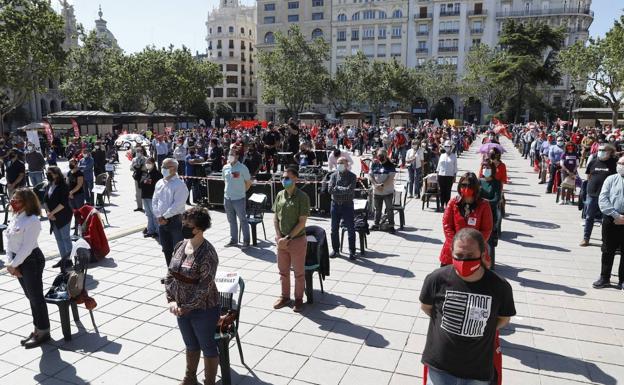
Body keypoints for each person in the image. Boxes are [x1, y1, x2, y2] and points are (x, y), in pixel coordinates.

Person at [420, 228, 515, 385]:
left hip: (477, 370)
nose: (464, 261)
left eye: (470, 256)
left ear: (483, 253)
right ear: (451, 252)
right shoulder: (436, 279)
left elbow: (504, 319)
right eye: (459, 256)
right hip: (440, 367)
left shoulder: (500, 286)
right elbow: (426, 307)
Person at [165, 206, 219, 385]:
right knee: (190, 344)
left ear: (200, 228)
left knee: (208, 347)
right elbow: (170, 274)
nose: (184, 227)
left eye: (189, 225)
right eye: (184, 223)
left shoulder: (208, 253)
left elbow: (204, 288)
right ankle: (190, 378)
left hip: (203, 309)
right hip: (180, 308)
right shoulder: (180, 245)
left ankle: (209, 382)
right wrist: (171, 300)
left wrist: (186, 308)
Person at [5, 188, 51, 348]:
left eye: (17, 200)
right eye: (13, 199)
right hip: (18, 261)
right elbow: (8, 239)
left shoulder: (32, 220)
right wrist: (10, 263)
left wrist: (13, 265)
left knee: (36, 297)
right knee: (30, 297)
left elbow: (27, 247)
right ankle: (37, 328)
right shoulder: (16, 217)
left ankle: (44, 331)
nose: (13, 202)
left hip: (31, 260)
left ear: (27, 202)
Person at [272, 166, 310, 313]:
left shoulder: (302, 197)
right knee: (283, 271)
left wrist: (287, 238)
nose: (284, 180)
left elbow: (302, 222)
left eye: (287, 177)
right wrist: (279, 237)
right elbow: (275, 218)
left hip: (297, 241)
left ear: (295, 179)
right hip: (281, 241)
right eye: (283, 177)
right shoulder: (280, 195)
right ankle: (285, 296)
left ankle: (299, 299)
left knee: (299, 273)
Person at [439, 172, 493, 267]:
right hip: (453, 249)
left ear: (475, 187)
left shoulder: (484, 205)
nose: (466, 188)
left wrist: (473, 246)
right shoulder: (453, 203)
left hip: (474, 251)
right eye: (463, 185)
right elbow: (447, 225)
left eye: (470, 185)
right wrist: (455, 245)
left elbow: (486, 229)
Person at [594, 155, 624, 289]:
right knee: (607, 250)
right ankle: (604, 277)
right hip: (611, 219)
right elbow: (603, 199)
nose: (621, 166)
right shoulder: (611, 179)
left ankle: (622, 280)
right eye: (620, 163)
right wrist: (616, 215)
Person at [152, 158, 189, 266]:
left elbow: (178, 205)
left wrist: (165, 217)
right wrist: (159, 216)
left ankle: (180, 274)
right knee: (166, 249)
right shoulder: (160, 182)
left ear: (173, 169)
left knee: (178, 250)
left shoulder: (179, 185)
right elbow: (154, 200)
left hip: (175, 220)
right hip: (161, 221)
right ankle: (170, 273)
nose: (162, 168)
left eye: (164, 166)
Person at [581, 144, 617, 246]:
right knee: (589, 217)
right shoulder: (593, 162)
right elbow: (588, 176)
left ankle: (605, 240)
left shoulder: (614, 163)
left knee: (606, 219)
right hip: (592, 194)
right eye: (599, 150)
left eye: (603, 150)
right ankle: (586, 238)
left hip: (608, 196)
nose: (600, 151)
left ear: (610, 152)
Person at [43, 167, 74, 270]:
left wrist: (52, 213)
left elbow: (63, 203)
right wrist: (48, 212)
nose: (48, 175)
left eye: (50, 173)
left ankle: (69, 260)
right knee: (58, 239)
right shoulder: (49, 185)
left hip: (63, 215)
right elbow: (45, 200)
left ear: (56, 174)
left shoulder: (63, 186)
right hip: (53, 216)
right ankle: (63, 259)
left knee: (65, 238)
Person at [328, 157, 357, 260]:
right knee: (334, 229)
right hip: (335, 205)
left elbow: (350, 190)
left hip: (347, 205)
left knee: (350, 228)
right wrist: (342, 189)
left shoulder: (352, 176)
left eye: (342, 163)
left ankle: (352, 251)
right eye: (338, 162)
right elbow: (330, 189)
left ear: (347, 164)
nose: (340, 164)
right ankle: (335, 250)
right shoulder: (333, 176)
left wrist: (338, 189)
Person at [222, 148, 252, 247]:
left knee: (243, 220)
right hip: (227, 198)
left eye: (232, 154)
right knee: (231, 220)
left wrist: (242, 191)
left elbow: (248, 182)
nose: (230, 156)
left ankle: (246, 241)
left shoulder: (242, 168)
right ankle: (233, 240)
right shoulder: (225, 167)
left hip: (239, 198)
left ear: (237, 156)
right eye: (229, 154)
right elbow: (225, 181)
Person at [479, 160, 502, 268]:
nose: (485, 170)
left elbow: (496, 199)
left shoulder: (497, 183)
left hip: (491, 214)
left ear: (492, 170)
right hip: (479, 214)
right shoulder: (479, 181)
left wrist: (484, 202)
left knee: (489, 240)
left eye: (488, 168)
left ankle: (490, 263)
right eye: (484, 167)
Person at [369, 149, 396, 234]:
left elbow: (391, 178)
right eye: (378, 155)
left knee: (389, 209)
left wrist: (382, 185)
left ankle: (391, 225)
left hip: (387, 192)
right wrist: (375, 185)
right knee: (377, 209)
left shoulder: (390, 165)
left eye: (381, 155)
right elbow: (370, 175)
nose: (379, 157)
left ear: (385, 156)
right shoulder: (374, 164)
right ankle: (376, 224)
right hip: (377, 191)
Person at [139, 157, 163, 238]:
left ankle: (157, 231)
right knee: (148, 214)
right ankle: (150, 230)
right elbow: (141, 183)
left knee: (154, 214)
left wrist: (146, 182)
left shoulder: (157, 174)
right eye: (147, 162)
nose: (147, 164)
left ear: (153, 164)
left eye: (149, 162)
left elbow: (157, 185)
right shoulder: (145, 173)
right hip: (145, 196)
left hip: (152, 197)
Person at [437, 140, 457, 209]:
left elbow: (455, 167)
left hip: (450, 176)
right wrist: (437, 175)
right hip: (441, 175)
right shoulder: (442, 155)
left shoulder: (454, 156)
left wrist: (455, 176)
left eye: (448, 146)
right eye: (446, 146)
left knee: (448, 191)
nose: (447, 148)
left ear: (451, 147)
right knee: (442, 191)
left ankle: (447, 205)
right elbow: (438, 166)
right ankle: (442, 205)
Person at [67, 158, 84, 231]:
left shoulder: (79, 173)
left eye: (72, 163)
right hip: (70, 195)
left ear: (76, 164)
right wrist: (68, 193)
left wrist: (72, 192)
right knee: (74, 211)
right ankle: (76, 224)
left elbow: (79, 185)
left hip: (78, 195)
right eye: (70, 163)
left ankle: (81, 224)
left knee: (80, 210)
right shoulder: (69, 172)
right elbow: (67, 183)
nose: (70, 164)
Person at [130, 147, 146, 212]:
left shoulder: (145, 159)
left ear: (142, 152)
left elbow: (146, 168)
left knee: (145, 192)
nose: (138, 153)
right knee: (138, 192)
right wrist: (136, 167)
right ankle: (139, 207)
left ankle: (147, 207)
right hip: (137, 177)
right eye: (137, 151)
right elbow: (131, 168)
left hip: (144, 177)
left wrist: (140, 168)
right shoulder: (134, 159)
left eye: (139, 151)